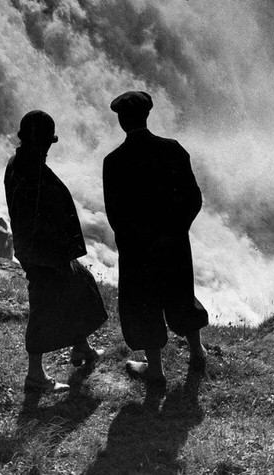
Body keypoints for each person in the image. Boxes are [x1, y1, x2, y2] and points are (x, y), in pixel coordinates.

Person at [103, 90, 209, 387]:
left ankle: (156, 370)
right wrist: (175, 232)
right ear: (147, 116)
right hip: (173, 242)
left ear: (122, 121)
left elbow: (115, 215)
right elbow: (192, 199)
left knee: (144, 303)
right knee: (180, 294)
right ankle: (197, 351)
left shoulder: (113, 162)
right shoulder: (172, 149)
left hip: (138, 250)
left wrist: (136, 243)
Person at [4, 110, 107, 395]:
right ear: (41, 141)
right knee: (42, 307)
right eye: (48, 141)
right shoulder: (31, 172)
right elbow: (36, 220)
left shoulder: (19, 163)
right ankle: (35, 375)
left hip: (43, 251)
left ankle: (81, 347)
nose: (50, 147)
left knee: (81, 285)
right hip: (43, 255)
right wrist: (55, 257)